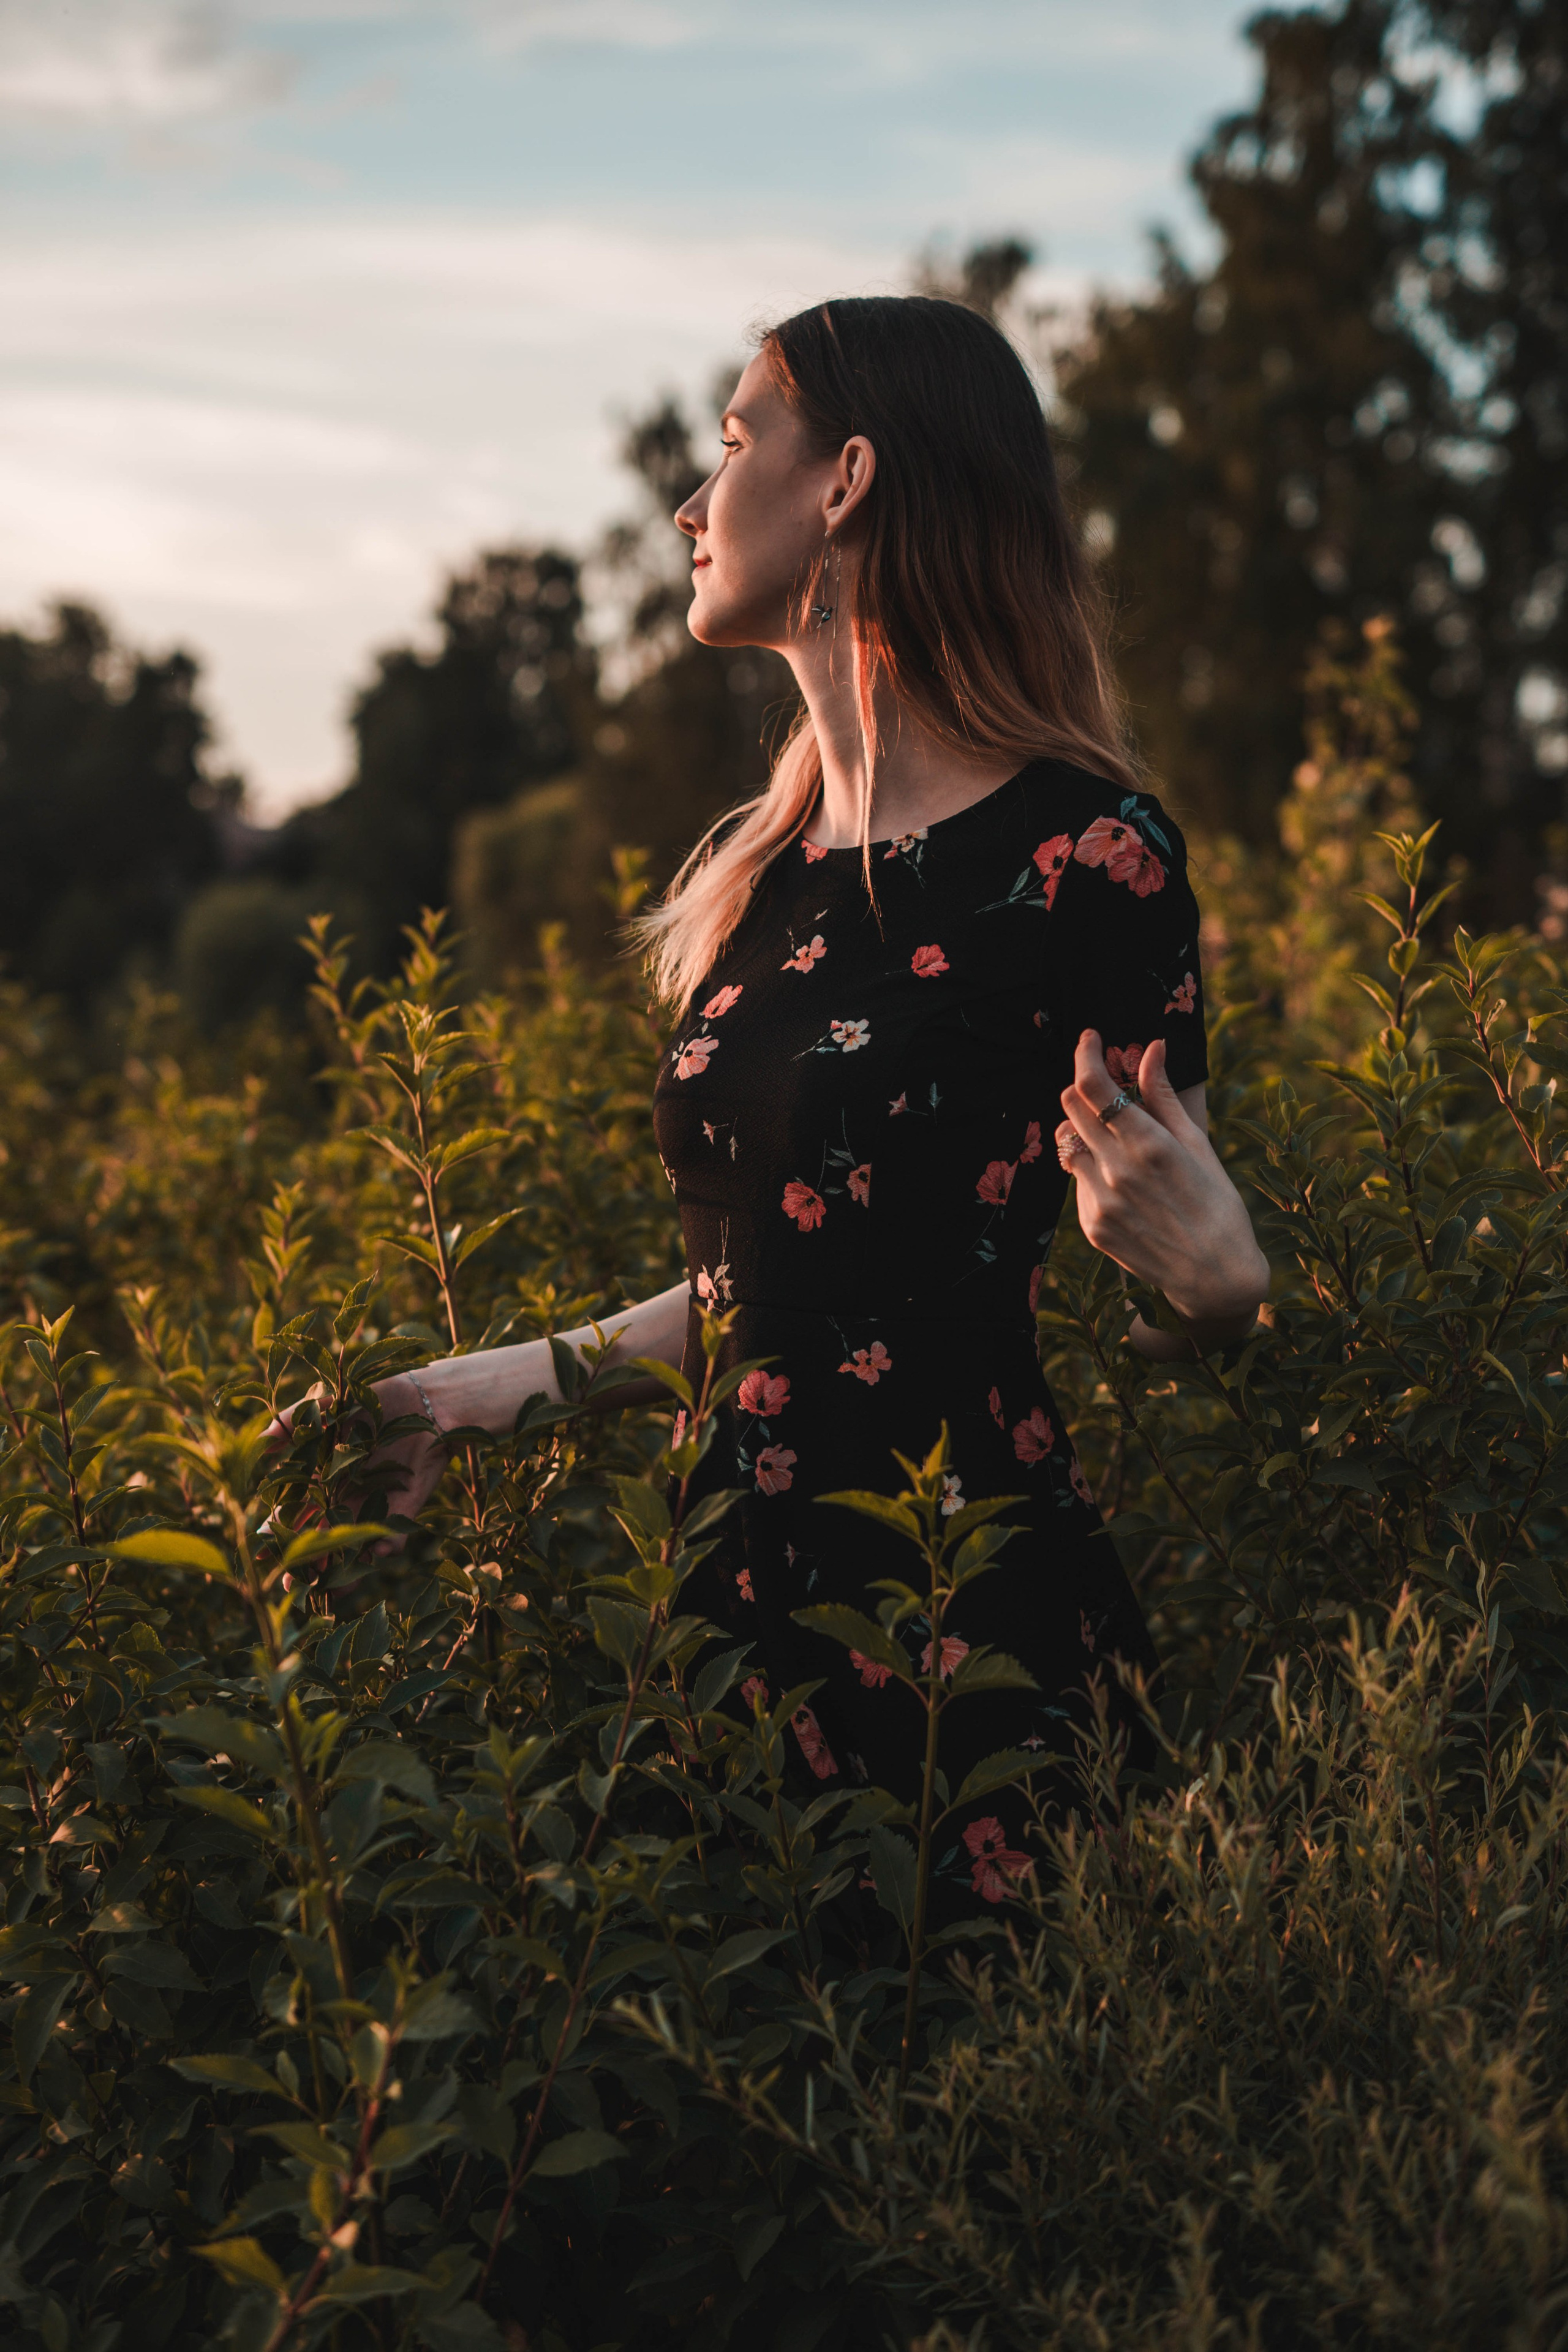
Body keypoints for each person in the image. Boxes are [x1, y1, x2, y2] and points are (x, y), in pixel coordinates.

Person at [322, 296, 1268, 1910]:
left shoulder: (1090, 861)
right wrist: (486, 1390)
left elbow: (1163, 1274)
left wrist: (1222, 1294)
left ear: (844, 484)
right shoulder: (767, 879)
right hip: (723, 1622)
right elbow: (784, 1290)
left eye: (734, 443)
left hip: (959, 1628)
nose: (695, 507)